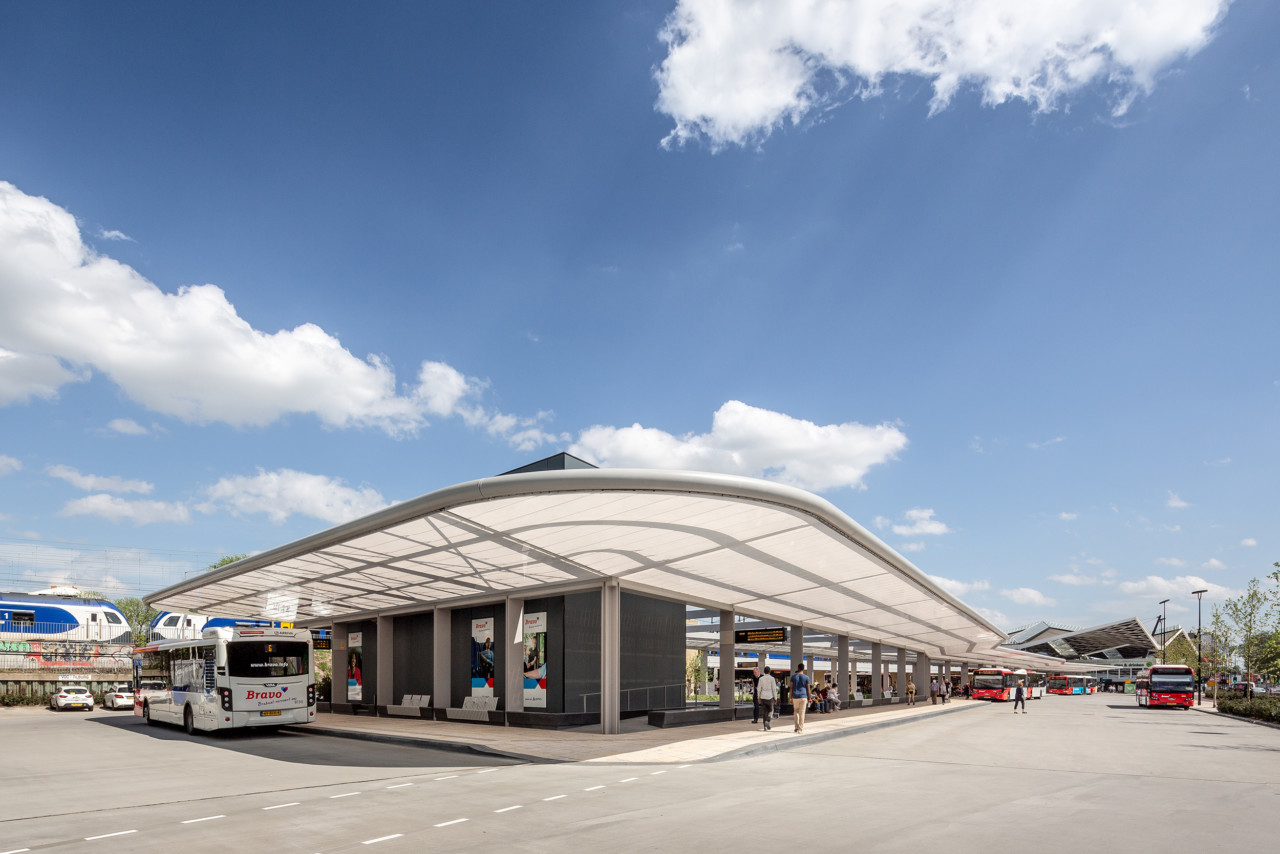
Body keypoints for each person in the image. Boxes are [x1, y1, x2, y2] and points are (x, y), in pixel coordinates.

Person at [790, 664, 811, 733]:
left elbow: (791, 688)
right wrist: (810, 698)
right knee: (802, 713)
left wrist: (790, 697)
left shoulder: (793, 677)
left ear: (798, 668)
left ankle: (796, 727)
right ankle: (800, 729)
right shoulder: (806, 677)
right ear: (803, 669)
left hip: (795, 696)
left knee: (796, 712)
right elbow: (808, 689)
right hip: (803, 696)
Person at [757, 666, 778, 731]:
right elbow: (774, 689)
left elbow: (758, 689)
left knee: (764, 712)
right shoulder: (772, 679)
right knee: (771, 710)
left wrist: (758, 697)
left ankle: (765, 727)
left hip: (763, 697)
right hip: (769, 697)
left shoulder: (761, 679)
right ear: (769, 671)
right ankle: (768, 720)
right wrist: (775, 697)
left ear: (764, 671)